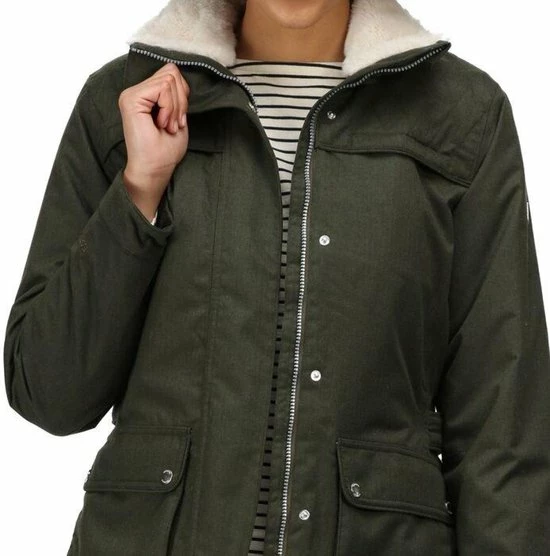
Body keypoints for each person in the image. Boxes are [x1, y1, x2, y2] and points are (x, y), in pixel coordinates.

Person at [4, 0, 550, 554]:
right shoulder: (126, 101)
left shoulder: (462, 115)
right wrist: (140, 188)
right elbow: (50, 394)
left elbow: (503, 428)